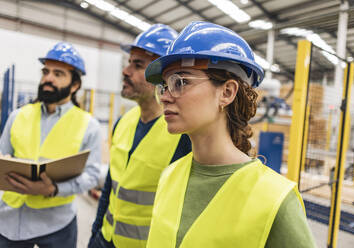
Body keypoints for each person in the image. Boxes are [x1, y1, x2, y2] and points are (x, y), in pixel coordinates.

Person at [144, 21, 317, 248]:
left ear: (226, 92)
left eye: (181, 82)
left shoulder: (276, 201)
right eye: (164, 86)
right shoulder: (170, 176)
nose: (165, 96)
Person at [88, 24, 192, 248]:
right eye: (129, 63)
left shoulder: (184, 136)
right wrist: (95, 234)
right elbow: (110, 187)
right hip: (105, 239)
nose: (126, 71)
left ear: (162, 74)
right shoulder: (123, 122)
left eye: (137, 65)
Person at [0, 42, 102, 247]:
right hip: (10, 221)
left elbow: (91, 175)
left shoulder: (88, 125)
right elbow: (2, 157)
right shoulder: (18, 116)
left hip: (57, 224)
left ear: (74, 85)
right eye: (45, 71)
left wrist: (54, 189)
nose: (48, 78)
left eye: (58, 74)